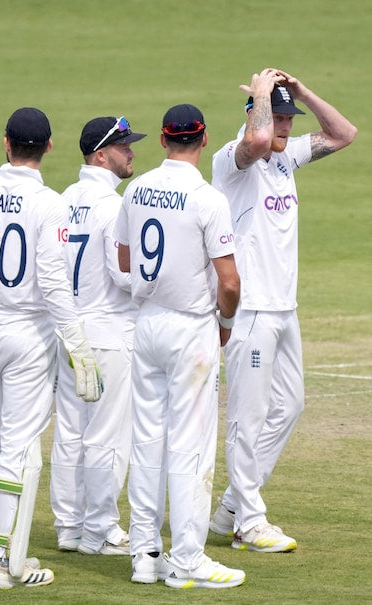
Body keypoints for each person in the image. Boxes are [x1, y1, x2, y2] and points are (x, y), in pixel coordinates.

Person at [0, 107, 102, 589]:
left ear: (5, 143)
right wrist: (78, 345)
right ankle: (3, 564)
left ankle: (1, 552)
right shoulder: (50, 204)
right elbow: (54, 283)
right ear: (48, 147)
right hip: (29, 336)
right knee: (17, 446)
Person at [209, 69, 357, 552]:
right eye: (281, 117)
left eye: (290, 117)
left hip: (283, 309)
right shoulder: (234, 160)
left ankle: (231, 506)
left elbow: (344, 134)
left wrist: (302, 92)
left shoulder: (285, 157)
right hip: (248, 308)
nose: (287, 126)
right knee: (247, 418)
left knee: (290, 406)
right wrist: (259, 99)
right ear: (257, 114)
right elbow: (256, 138)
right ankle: (249, 522)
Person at [115, 104, 244, 589]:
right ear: (204, 139)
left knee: (147, 442)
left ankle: (144, 555)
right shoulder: (208, 198)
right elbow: (229, 282)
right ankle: (188, 560)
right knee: (191, 448)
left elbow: (125, 258)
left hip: (145, 323)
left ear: (165, 139)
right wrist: (225, 324)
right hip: (191, 327)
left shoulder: (138, 187)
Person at [50, 116, 144, 556]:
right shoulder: (114, 206)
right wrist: (155, 281)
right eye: (124, 147)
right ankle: (102, 529)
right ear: (101, 155)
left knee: (71, 431)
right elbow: (122, 276)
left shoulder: (63, 199)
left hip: (67, 328)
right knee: (108, 433)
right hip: (106, 330)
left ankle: (69, 526)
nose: (132, 154)